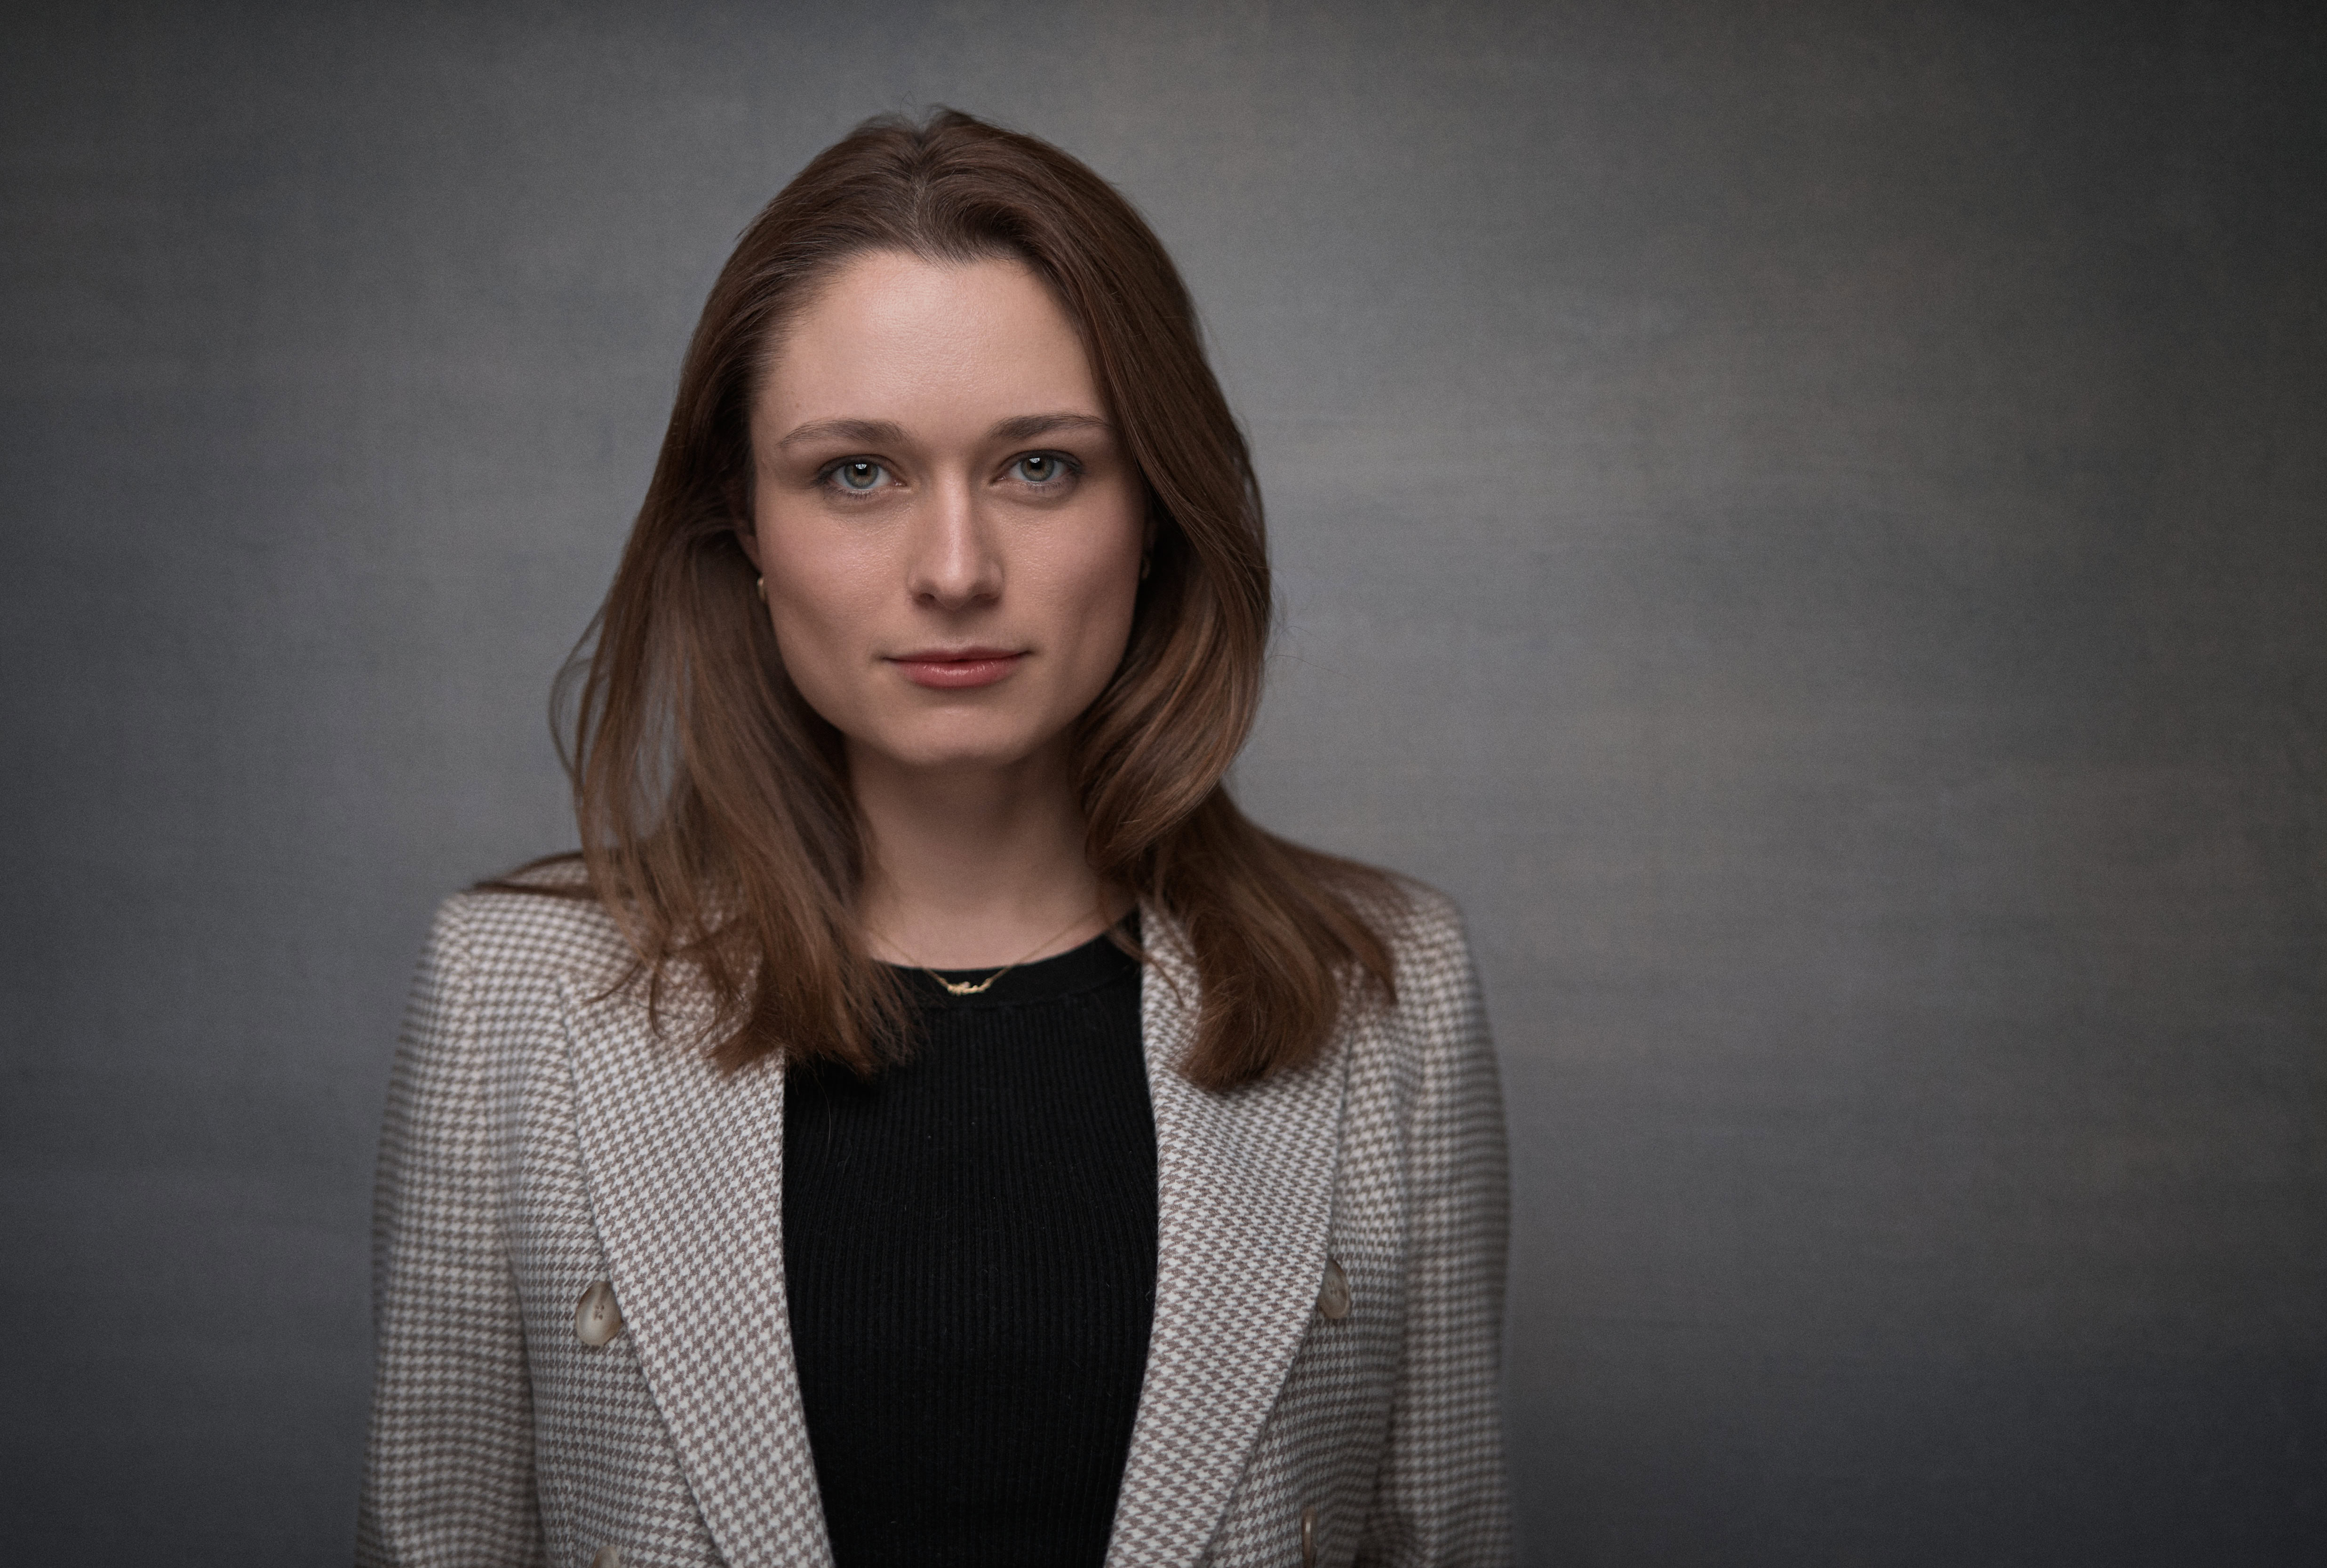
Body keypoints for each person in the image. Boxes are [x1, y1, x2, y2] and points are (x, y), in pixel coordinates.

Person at [357, 109, 1509, 1568]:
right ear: (744, 516)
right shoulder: (510, 996)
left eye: (1041, 467)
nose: (955, 572)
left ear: (1153, 505)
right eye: (857, 472)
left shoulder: (1388, 992)